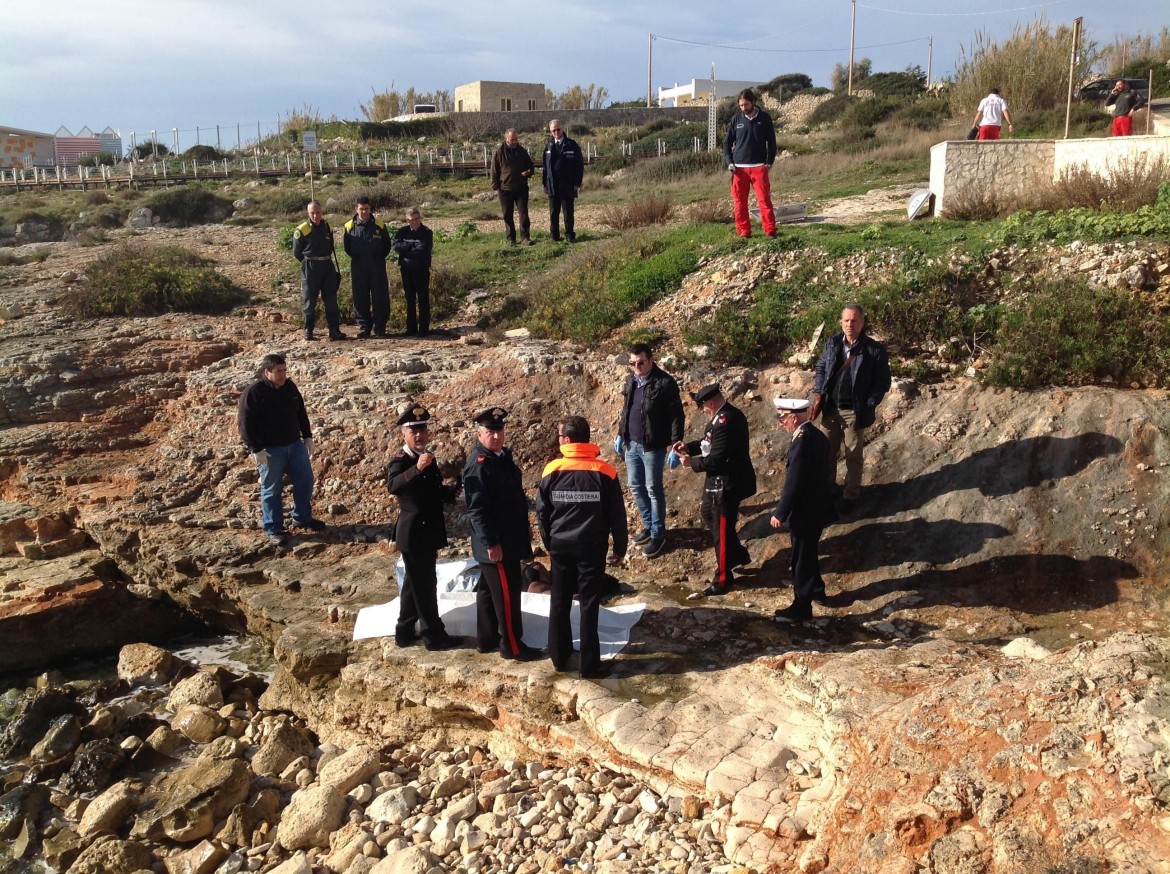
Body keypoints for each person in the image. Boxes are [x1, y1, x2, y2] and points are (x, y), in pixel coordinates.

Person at [537, 416, 628, 679]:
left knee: (560, 600)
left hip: (561, 546)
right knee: (589, 603)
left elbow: (542, 513)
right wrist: (619, 549)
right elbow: (617, 516)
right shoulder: (605, 471)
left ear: (566, 440)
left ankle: (559, 657)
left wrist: (549, 542)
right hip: (592, 546)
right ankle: (589, 665)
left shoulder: (551, 470)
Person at [462, 407, 542, 661]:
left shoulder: (502, 457)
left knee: (488, 591)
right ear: (479, 434)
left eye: (499, 431)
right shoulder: (479, 465)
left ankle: (486, 639)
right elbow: (477, 510)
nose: (496, 436)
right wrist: (491, 542)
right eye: (490, 432)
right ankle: (512, 646)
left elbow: (513, 498)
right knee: (507, 594)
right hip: (496, 543)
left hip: (509, 536)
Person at [386, 405, 463, 651]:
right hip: (413, 534)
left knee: (413, 583)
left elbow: (433, 491)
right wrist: (416, 469)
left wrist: (450, 492)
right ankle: (433, 635)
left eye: (422, 430)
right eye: (413, 431)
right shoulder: (401, 461)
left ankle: (404, 631)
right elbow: (394, 486)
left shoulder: (429, 457)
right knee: (425, 586)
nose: (419, 436)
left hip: (428, 531)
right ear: (404, 435)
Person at [672, 383, 757, 596]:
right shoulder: (721, 417)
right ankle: (736, 554)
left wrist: (691, 463)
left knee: (720, 529)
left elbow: (717, 458)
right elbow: (708, 442)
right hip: (717, 482)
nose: (702, 411)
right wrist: (688, 447)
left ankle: (722, 578)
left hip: (725, 483)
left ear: (710, 402)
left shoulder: (726, 420)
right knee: (709, 515)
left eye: (702, 407)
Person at [237, 353, 326, 547]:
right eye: (278, 371)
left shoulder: (290, 387)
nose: (283, 375)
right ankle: (273, 528)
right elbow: (245, 424)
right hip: (270, 450)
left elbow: (301, 411)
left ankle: (302, 517)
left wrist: (307, 436)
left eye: (284, 370)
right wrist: (256, 449)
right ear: (266, 372)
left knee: (305, 480)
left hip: (295, 445)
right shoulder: (254, 392)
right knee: (271, 489)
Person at [810, 304, 892, 514]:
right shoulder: (832, 342)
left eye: (854, 320)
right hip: (830, 407)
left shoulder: (873, 349)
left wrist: (869, 404)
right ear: (841, 322)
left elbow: (882, 381)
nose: (849, 324)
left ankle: (850, 494)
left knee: (853, 455)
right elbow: (821, 367)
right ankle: (828, 489)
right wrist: (819, 391)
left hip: (854, 411)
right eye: (846, 320)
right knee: (827, 452)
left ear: (862, 323)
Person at [770, 398, 837, 623]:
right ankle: (817, 589)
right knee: (809, 552)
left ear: (794, 417)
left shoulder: (802, 440)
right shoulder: (816, 436)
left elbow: (794, 481)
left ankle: (801, 605)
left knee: (801, 557)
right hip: (817, 506)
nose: (781, 423)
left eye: (783, 418)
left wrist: (780, 512)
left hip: (806, 509)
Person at [616, 343, 685, 558]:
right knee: (635, 487)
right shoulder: (631, 381)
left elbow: (676, 415)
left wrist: (676, 444)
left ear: (651, 360)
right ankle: (649, 525)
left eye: (640, 362)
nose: (636, 366)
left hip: (652, 446)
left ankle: (658, 534)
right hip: (631, 444)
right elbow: (627, 409)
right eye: (632, 363)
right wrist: (620, 433)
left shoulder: (664, 383)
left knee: (653, 489)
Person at [723, 88, 777, 238]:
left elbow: (771, 142)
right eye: (741, 105)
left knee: (764, 200)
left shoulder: (765, 118)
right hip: (739, 169)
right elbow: (727, 143)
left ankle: (770, 231)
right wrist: (729, 162)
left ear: (753, 102)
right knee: (739, 202)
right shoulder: (736, 119)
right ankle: (744, 232)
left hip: (759, 167)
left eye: (746, 105)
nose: (743, 108)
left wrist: (769, 162)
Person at [292, 201, 347, 341]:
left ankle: (334, 330)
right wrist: (308, 262)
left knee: (331, 300)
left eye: (318, 212)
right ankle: (308, 331)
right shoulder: (302, 229)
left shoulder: (326, 226)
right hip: (311, 266)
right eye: (312, 213)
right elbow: (297, 252)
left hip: (327, 265)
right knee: (310, 301)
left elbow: (331, 245)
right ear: (308, 213)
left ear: (321, 212)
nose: (316, 215)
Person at [343, 195, 392, 338]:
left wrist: (376, 258)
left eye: (366, 209)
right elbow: (347, 248)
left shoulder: (380, 225)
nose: (364, 212)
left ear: (370, 208)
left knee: (380, 297)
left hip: (377, 266)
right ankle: (364, 328)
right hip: (358, 266)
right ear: (356, 209)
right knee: (360, 297)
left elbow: (387, 246)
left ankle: (380, 328)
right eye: (361, 209)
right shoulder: (348, 226)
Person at [392, 207, 434, 337]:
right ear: (407, 220)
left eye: (416, 219)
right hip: (406, 269)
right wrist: (412, 244)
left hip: (421, 269)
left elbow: (423, 249)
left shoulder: (426, 232)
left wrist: (407, 248)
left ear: (420, 218)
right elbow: (397, 247)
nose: (414, 222)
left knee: (423, 298)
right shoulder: (402, 232)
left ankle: (424, 329)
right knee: (409, 299)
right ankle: (411, 328)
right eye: (411, 220)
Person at [491, 128, 535, 246]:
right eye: (512, 139)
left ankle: (525, 238)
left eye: (516, 139)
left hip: (521, 188)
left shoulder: (522, 151)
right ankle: (511, 239)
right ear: (506, 138)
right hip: (505, 189)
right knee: (507, 215)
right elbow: (494, 170)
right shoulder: (499, 152)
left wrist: (529, 172)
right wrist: (495, 185)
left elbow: (530, 166)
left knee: (524, 214)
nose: (515, 141)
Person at [542, 119, 584, 243]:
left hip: (568, 185)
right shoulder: (548, 146)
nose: (556, 132)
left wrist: (577, 183)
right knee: (553, 213)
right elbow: (545, 167)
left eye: (558, 129)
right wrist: (544, 183)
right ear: (550, 132)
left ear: (562, 128)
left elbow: (579, 165)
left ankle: (570, 235)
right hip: (552, 185)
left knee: (568, 213)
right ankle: (554, 236)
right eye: (553, 130)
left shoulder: (572, 145)